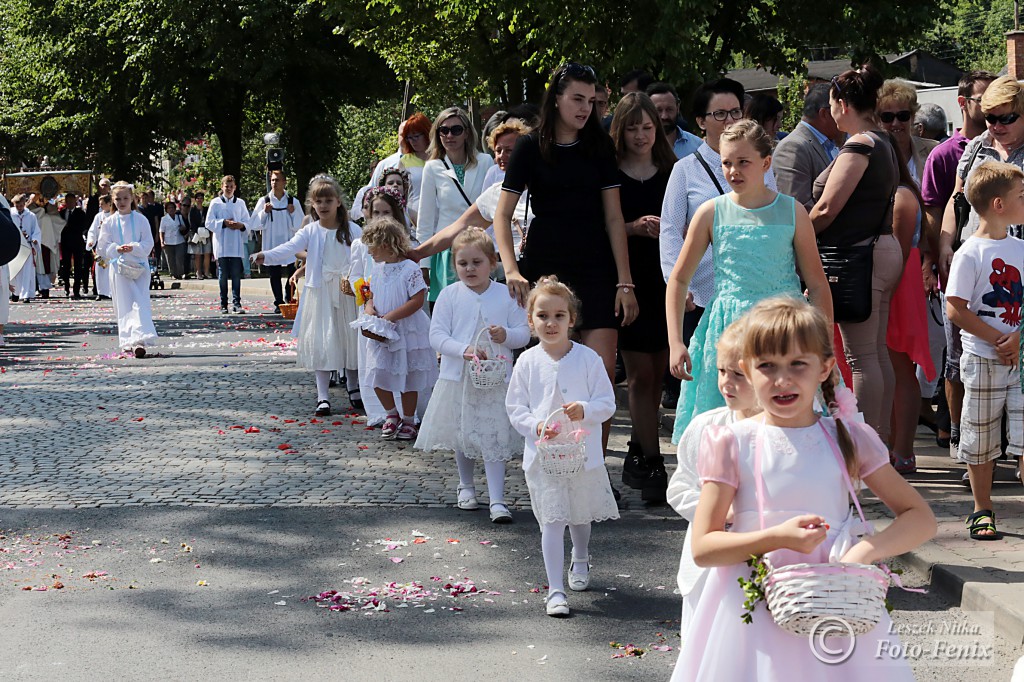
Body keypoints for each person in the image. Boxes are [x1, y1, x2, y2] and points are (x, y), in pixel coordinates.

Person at [672, 296, 935, 680]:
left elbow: (920, 518)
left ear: (825, 367)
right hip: (750, 612)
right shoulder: (731, 442)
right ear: (747, 369)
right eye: (767, 366)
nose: (783, 380)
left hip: (836, 605)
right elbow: (704, 546)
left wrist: (863, 552)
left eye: (798, 364)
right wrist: (776, 537)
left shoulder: (849, 438)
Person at [668, 120, 832, 442]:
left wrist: (824, 344)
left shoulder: (792, 211)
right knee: (727, 432)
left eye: (743, 162)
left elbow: (817, 282)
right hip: (730, 331)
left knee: (786, 425)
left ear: (765, 162)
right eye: (727, 162)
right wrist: (676, 341)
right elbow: (679, 279)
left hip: (784, 329)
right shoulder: (710, 212)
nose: (733, 171)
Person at [495, 62, 638, 402]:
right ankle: (553, 453)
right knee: (551, 377)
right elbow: (502, 214)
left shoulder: (601, 147)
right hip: (547, 267)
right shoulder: (529, 146)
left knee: (601, 378)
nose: (585, 108)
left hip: (597, 266)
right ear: (556, 99)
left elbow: (615, 219)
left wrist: (625, 281)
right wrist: (512, 269)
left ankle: (594, 458)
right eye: (577, 99)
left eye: (591, 101)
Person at [505, 276, 619, 618]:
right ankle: (555, 589)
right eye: (542, 316)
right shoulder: (526, 362)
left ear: (572, 319)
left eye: (558, 316)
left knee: (579, 515)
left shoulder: (587, 359)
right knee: (552, 520)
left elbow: (607, 402)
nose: (550, 323)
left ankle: (580, 557)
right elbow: (515, 407)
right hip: (544, 456)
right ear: (531, 321)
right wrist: (535, 426)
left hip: (583, 456)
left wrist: (586, 410)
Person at [659, 77, 774, 410]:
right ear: (701, 121)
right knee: (716, 388)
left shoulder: (763, 163)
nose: (730, 121)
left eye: (736, 112)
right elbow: (669, 228)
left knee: (759, 386)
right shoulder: (685, 170)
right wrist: (676, 285)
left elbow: (776, 219)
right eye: (720, 114)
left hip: (757, 290)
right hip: (703, 295)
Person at [811, 65, 901, 443]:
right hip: (878, 249)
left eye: (831, 102)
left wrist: (795, 233)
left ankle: (865, 451)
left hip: (860, 255)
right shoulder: (882, 140)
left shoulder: (860, 144)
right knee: (874, 352)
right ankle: (877, 447)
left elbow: (828, 207)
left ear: (842, 104)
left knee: (861, 357)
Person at [415, 228, 530, 523]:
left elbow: (524, 333)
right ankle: (465, 486)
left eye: (477, 262)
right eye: (462, 263)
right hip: (459, 378)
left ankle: (498, 498)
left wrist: (506, 335)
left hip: (496, 380)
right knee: (463, 433)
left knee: (493, 435)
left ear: (493, 263)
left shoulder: (506, 295)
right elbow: (437, 335)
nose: (469, 269)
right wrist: (462, 349)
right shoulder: (449, 295)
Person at [937, 75, 1024, 462]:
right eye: (990, 117)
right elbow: (957, 200)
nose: (997, 126)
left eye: (1007, 117)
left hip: (1018, 266)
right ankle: (966, 446)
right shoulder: (975, 149)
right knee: (959, 359)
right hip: (975, 263)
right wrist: (943, 241)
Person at [945, 161, 1024, 540]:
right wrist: (997, 339)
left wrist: (1019, 338)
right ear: (998, 204)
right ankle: (982, 508)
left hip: (1020, 358)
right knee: (981, 435)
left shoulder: (1021, 248)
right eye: (1021, 197)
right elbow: (955, 307)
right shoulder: (970, 253)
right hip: (983, 359)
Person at [667, 317, 760, 634]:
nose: (727, 383)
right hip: (707, 563)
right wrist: (717, 510)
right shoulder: (706, 428)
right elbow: (680, 487)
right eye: (722, 372)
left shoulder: (784, 435)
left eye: (738, 374)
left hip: (763, 561)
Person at [921, 71, 995, 451]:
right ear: (964, 102)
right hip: (965, 266)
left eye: (1006, 111)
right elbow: (940, 208)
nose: (996, 114)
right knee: (959, 357)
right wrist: (937, 255)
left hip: (1009, 266)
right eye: (987, 103)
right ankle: (960, 439)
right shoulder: (954, 153)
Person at [609, 92, 676, 500]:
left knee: (661, 374)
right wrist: (633, 227)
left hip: (666, 279)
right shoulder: (611, 170)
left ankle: (639, 445)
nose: (640, 135)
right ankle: (652, 461)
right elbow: (603, 225)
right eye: (632, 127)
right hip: (628, 278)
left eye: (647, 127)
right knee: (640, 376)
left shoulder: (673, 169)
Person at [254, 176, 360, 417]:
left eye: (328, 200)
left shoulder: (352, 230)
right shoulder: (311, 230)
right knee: (323, 342)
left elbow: (365, 254)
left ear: (338, 203)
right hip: (320, 293)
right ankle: (323, 395)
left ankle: (354, 387)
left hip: (346, 292)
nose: (323, 206)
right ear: (313, 204)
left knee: (349, 340)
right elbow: (289, 247)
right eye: (318, 201)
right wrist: (266, 255)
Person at [354, 216, 437, 440]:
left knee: (408, 377)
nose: (369, 251)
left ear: (385, 244)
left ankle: (409, 419)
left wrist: (391, 316)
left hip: (406, 328)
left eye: (371, 245)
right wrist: (370, 310)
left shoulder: (409, 268)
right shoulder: (378, 269)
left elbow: (417, 300)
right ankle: (392, 414)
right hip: (382, 330)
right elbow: (371, 295)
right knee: (378, 373)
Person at [886, 141, 935, 475]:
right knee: (889, 367)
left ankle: (902, 450)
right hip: (894, 279)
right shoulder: (900, 189)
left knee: (899, 367)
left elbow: (898, 253)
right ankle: (895, 448)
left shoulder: (901, 193)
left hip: (896, 281)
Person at [417, 107, 494, 302]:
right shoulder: (432, 167)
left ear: (467, 132)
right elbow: (425, 219)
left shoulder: (485, 162)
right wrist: (423, 263)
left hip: (480, 247)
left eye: (456, 130)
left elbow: (493, 209)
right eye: (444, 130)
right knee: (450, 308)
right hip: (446, 249)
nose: (450, 135)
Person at [98, 181, 158, 357]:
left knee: (139, 302)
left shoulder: (140, 219)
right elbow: (103, 246)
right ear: (113, 200)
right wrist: (116, 249)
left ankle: (139, 340)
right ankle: (126, 340)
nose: (122, 202)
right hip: (119, 268)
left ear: (132, 198)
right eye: (118, 199)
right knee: (123, 303)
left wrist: (134, 247)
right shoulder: (109, 222)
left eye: (125, 198)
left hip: (139, 267)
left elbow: (148, 242)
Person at [772, 83, 842, 210]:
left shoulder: (829, 143)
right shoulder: (792, 148)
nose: (844, 117)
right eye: (840, 110)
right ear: (825, 114)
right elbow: (797, 209)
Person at [249, 169, 304, 312]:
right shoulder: (264, 201)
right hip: (272, 242)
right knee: (274, 273)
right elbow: (254, 224)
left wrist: (292, 213)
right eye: (272, 180)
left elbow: (301, 225)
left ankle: (289, 296)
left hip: (289, 243)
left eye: (277, 180)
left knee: (292, 272)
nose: (274, 183)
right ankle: (278, 302)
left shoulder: (292, 201)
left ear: (284, 182)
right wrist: (264, 213)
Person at [877, 79, 939, 187]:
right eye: (887, 117)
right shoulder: (870, 156)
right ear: (877, 119)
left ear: (913, 116)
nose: (895, 123)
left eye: (903, 116)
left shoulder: (934, 151)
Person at [206, 175, 250, 314]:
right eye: (227, 187)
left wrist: (240, 225)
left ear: (235, 187)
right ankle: (223, 303)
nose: (229, 189)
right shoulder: (215, 203)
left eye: (231, 187)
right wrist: (223, 223)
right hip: (222, 243)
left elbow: (248, 222)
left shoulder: (240, 203)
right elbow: (209, 223)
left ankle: (237, 303)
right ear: (222, 187)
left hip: (236, 244)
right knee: (223, 274)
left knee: (236, 274)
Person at [646, 82, 702, 159]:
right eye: (658, 110)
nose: (664, 116)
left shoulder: (697, 146)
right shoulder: (640, 146)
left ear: (678, 108)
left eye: (669, 109)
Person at [9, 194, 41, 303]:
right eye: (17, 206)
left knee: (27, 271)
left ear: (24, 204)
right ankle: (15, 293)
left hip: (27, 247)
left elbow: (36, 230)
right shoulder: (10, 214)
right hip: (14, 246)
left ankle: (25, 294)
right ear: (14, 204)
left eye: (22, 205)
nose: (20, 208)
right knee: (15, 270)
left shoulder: (31, 216)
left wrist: (35, 239)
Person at [58, 192, 89, 299]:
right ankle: (66, 287)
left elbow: (82, 226)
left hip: (77, 242)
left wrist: (69, 226)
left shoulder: (80, 213)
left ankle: (76, 289)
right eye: (67, 201)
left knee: (78, 267)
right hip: (65, 243)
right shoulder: (61, 213)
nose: (69, 203)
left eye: (71, 201)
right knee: (66, 266)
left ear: (75, 201)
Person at [398, 112, 432, 210]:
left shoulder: (441, 158)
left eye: (416, 136)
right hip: (414, 212)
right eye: (409, 138)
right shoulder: (404, 161)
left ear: (427, 134)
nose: (413, 141)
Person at [85, 194, 113, 300]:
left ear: (108, 203)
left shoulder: (114, 215)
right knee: (101, 270)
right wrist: (91, 241)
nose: (100, 206)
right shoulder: (98, 216)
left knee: (111, 270)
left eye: (102, 204)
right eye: (99, 204)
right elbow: (93, 230)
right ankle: (102, 292)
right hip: (101, 248)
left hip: (111, 247)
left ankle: (111, 291)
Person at [158, 199, 188, 280]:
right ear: (166, 210)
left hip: (179, 240)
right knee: (170, 259)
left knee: (179, 258)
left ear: (175, 209)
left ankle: (180, 273)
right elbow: (161, 231)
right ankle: (173, 274)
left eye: (172, 208)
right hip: (168, 241)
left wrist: (182, 228)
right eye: (169, 208)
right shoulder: (164, 219)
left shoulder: (179, 217)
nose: (171, 209)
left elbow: (184, 226)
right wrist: (162, 241)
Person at [186, 192, 212, 279]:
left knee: (207, 253)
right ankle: (198, 272)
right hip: (196, 234)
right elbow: (191, 222)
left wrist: (206, 230)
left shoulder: (206, 209)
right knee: (198, 254)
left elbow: (209, 220)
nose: (200, 200)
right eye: (198, 198)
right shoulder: (192, 210)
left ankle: (206, 272)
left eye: (201, 198)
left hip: (206, 233)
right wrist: (197, 231)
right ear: (195, 199)